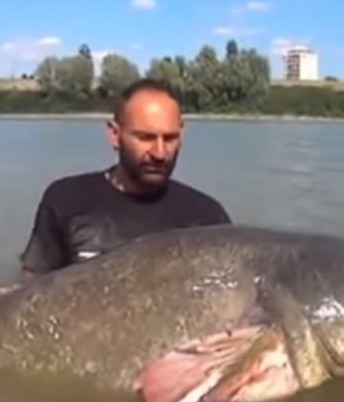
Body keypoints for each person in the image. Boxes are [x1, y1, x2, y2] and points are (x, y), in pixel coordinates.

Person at [18, 77, 232, 275]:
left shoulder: (208, 217)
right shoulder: (66, 199)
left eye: (169, 138)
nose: (160, 153)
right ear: (115, 134)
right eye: (145, 137)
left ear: (182, 134)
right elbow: (30, 287)